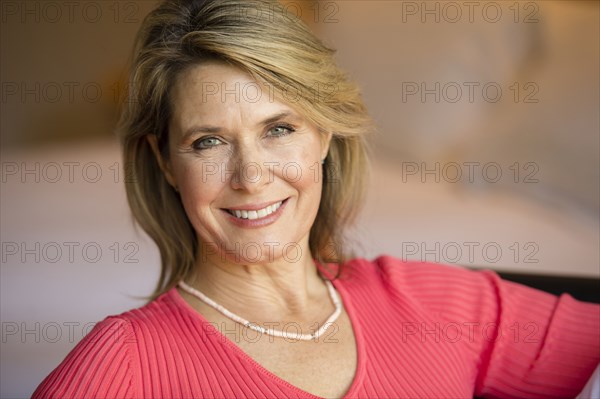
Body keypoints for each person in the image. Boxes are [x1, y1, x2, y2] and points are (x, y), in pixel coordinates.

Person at [33, 0, 599, 398]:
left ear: (324, 133)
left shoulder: (441, 307)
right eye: (209, 141)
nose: (251, 176)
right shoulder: (124, 363)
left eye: (279, 128)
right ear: (165, 163)